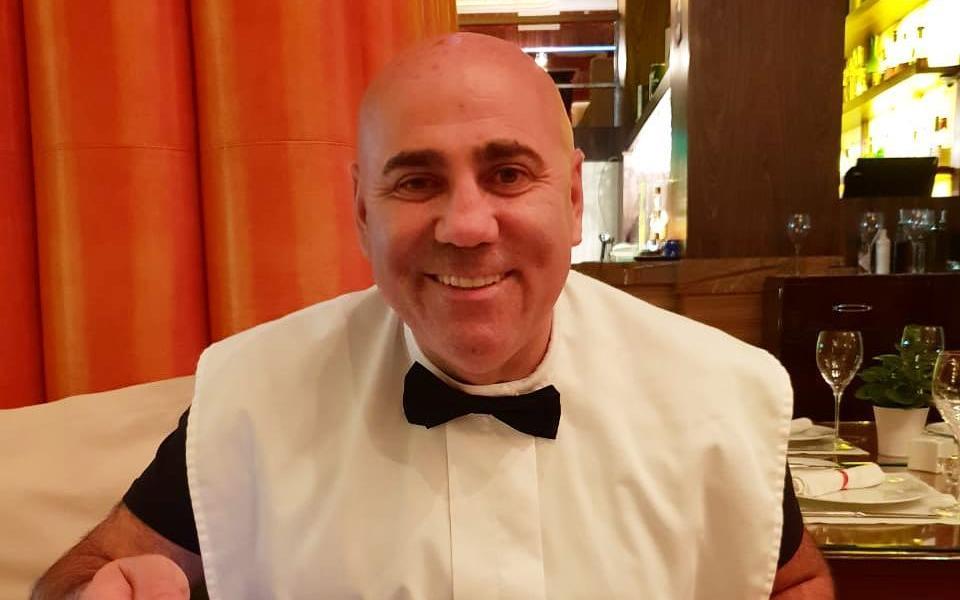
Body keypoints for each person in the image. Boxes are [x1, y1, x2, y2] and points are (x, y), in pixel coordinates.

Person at [33, 33, 832, 599]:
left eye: (508, 173)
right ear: (361, 213)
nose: (467, 226)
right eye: (416, 182)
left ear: (573, 196)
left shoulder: (719, 391)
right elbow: (80, 572)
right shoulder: (249, 392)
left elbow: (792, 577)